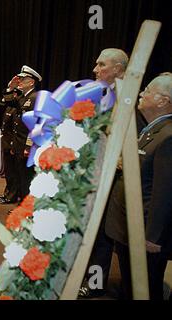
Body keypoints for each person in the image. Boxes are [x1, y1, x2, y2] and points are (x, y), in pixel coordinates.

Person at [105, 73, 172, 300]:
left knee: (145, 290)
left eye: (148, 90)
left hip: (144, 234)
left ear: (163, 101)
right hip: (130, 228)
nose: (142, 93)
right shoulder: (150, 131)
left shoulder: (167, 136)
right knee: (131, 288)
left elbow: (164, 193)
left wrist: (153, 237)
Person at [79, 48, 130, 298]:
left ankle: (96, 283)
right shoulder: (99, 95)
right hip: (91, 174)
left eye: (102, 65)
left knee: (101, 234)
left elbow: (126, 146)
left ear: (119, 70)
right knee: (88, 229)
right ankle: (85, 273)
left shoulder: (127, 100)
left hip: (110, 179)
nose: (95, 69)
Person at [0, 65, 41, 205]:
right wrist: (10, 87)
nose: (20, 81)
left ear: (32, 82)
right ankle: (22, 207)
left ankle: (27, 209)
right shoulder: (23, 97)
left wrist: (29, 147)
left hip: (26, 145)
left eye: (23, 79)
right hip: (18, 144)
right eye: (20, 79)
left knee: (26, 180)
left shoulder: (35, 98)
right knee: (20, 177)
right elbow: (6, 101)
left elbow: (35, 126)